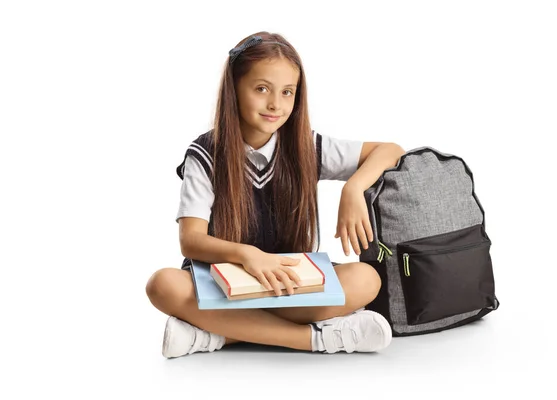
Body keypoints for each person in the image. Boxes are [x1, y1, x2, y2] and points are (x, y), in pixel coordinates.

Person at [145, 31, 405, 358]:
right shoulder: (205, 154)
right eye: (261, 89)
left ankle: (215, 335)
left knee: (366, 279)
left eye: (287, 92)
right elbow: (191, 240)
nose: (275, 105)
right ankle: (316, 339)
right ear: (234, 89)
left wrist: (353, 187)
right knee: (163, 285)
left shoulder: (305, 146)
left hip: (290, 285)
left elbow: (390, 150)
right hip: (222, 285)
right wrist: (246, 255)